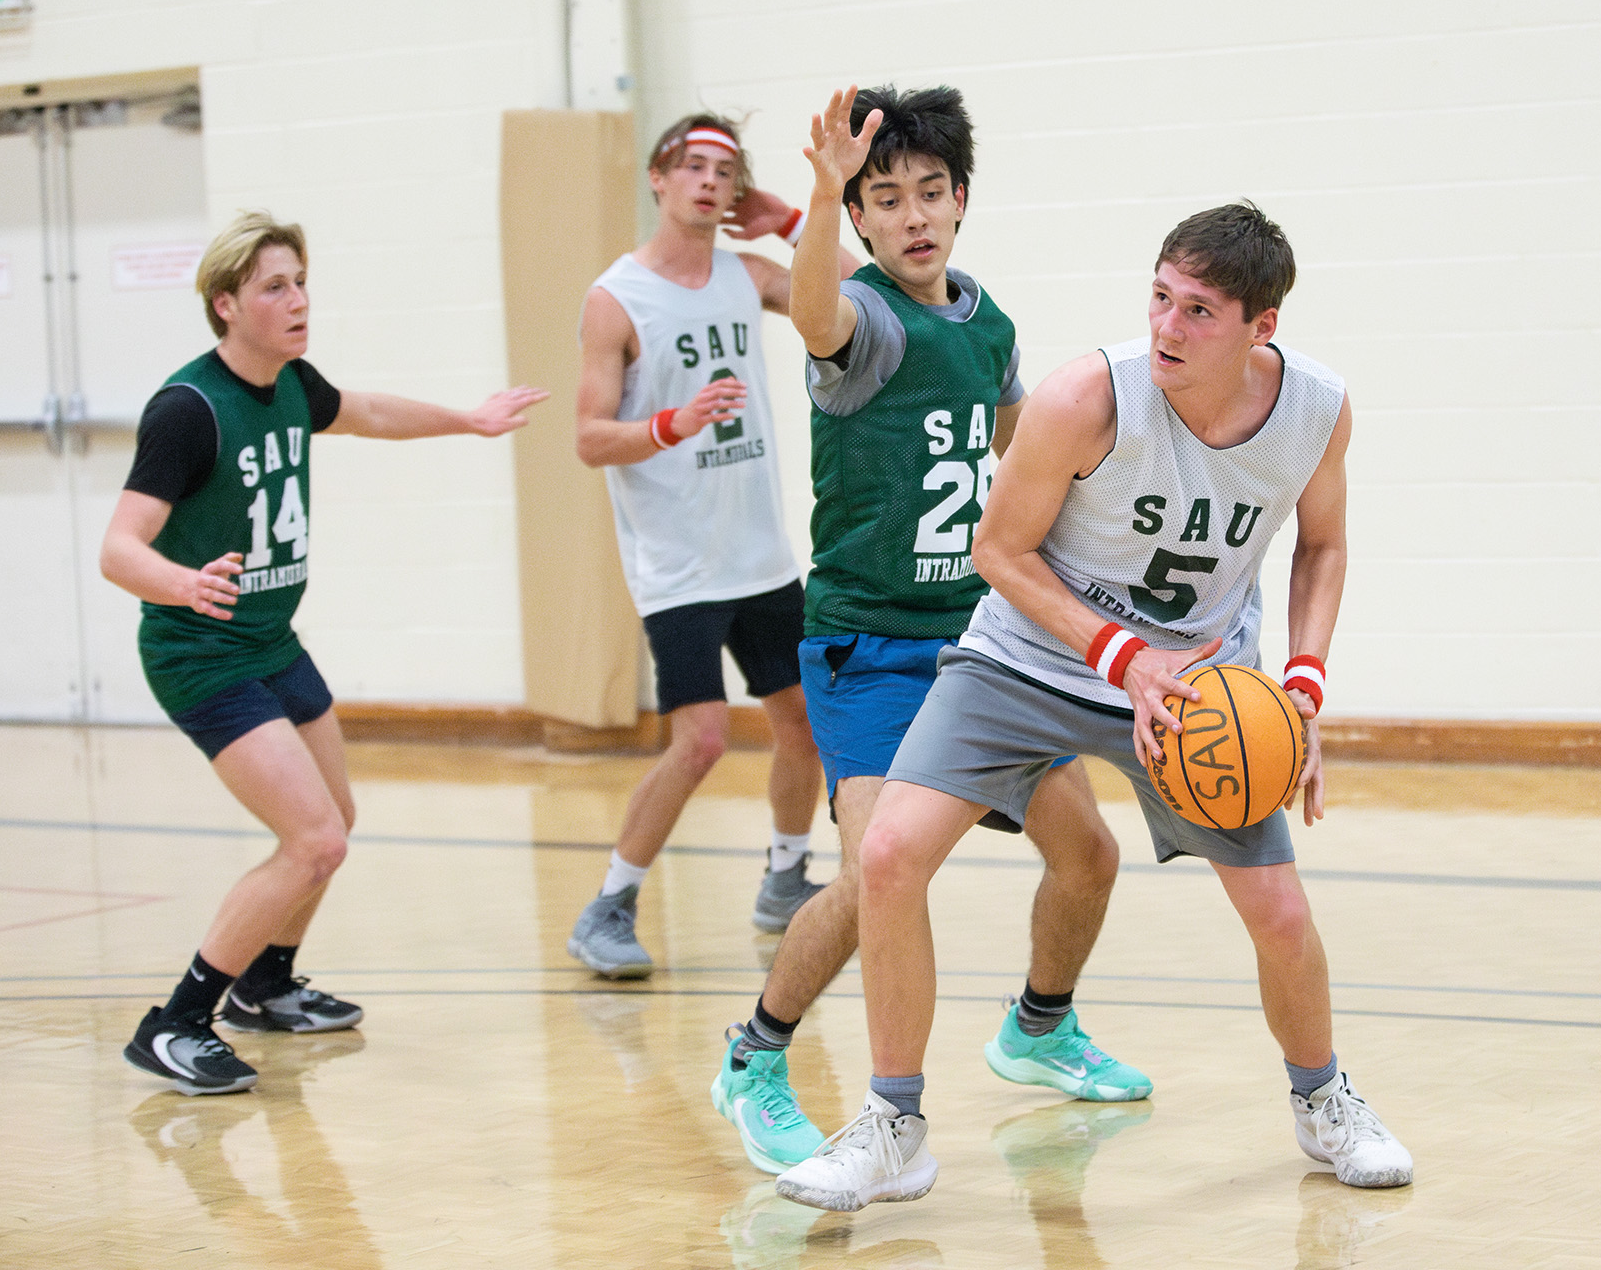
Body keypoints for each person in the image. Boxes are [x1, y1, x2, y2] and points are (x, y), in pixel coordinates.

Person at [775, 203, 1413, 1211]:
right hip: (1030, 659)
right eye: (1158, 296)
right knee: (888, 857)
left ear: (1262, 327)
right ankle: (892, 1124)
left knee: (1280, 913)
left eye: (1198, 311)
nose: (1166, 325)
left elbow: (1322, 544)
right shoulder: (1086, 395)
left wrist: (1300, 688)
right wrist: (1119, 656)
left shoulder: (1315, 410)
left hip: (1195, 686)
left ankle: (1321, 1097)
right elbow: (997, 551)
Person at [711, 85, 1147, 1177]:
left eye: (928, 192)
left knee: (1088, 854)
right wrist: (815, 197)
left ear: (960, 200)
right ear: (859, 217)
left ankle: (1038, 1027)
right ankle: (755, 1056)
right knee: (872, 878)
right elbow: (812, 314)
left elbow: (1020, 468)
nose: (910, 214)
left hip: (983, 646)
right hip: (869, 648)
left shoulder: (986, 323)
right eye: (883, 198)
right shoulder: (861, 318)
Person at [105, 210, 548, 1095]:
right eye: (276, 286)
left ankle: (266, 985)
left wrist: (469, 419)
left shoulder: (293, 384)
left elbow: (369, 411)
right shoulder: (188, 411)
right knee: (311, 841)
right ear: (226, 305)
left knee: (333, 819)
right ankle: (176, 1022)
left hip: (271, 641)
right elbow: (119, 547)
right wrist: (182, 583)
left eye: (302, 280)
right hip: (202, 652)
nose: (298, 298)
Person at [567, 114, 864, 977]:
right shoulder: (616, 298)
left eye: (725, 171)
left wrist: (786, 217)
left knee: (804, 725)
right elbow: (589, 437)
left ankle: (783, 878)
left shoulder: (747, 275)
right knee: (698, 741)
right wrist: (670, 423)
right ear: (659, 181)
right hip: (679, 564)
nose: (707, 181)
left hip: (760, 554)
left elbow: (870, 286)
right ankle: (610, 904)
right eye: (691, 166)